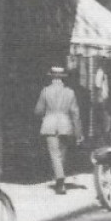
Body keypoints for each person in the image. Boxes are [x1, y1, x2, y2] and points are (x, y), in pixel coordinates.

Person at [35, 66, 82, 194]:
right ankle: (60, 177)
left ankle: (59, 180)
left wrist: (45, 116)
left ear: (51, 77)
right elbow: (75, 113)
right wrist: (79, 133)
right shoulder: (70, 92)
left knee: (54, 153)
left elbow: (38, 111)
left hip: (49, 124)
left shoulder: (45, 91)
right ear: (63, 78)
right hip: (65, 124)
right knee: (62, 153)